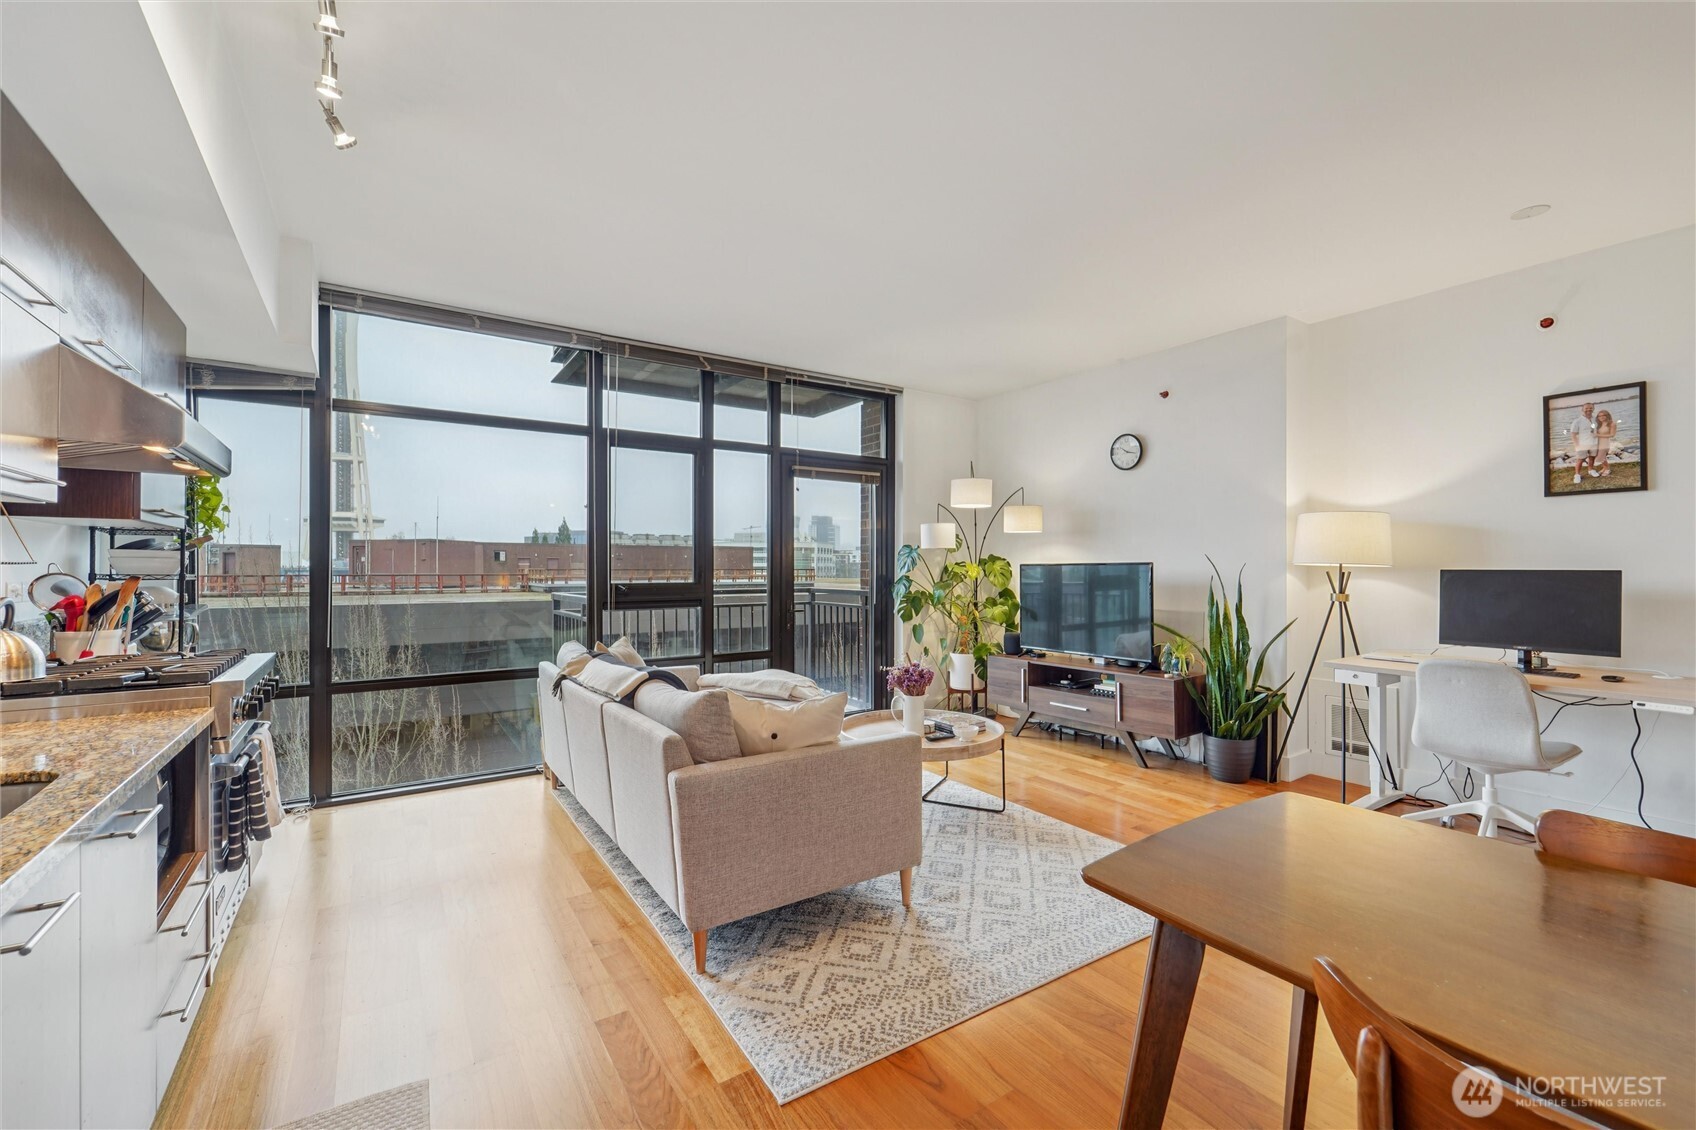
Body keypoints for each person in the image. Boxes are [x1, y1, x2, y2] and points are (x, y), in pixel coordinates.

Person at [1568, 401, 1598, 486]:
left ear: (1593, 409)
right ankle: (1577, 475)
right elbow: (1573, 434)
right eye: (1586, 408)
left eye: (1590, 408)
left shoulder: (1595, 419)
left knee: (1592, 458)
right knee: (1580, 460)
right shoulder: (1577, 421)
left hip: (1594, 443)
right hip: (1582, 444)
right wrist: (1577, 445)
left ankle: (1591, 470)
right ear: (1582, 409)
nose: (1588, 410)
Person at [1593, 408, 1617, 477]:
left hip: (1605, 443)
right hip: (1597, 442)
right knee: (1601, 457)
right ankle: (1604, 468)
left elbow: (1612, 435)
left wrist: (1598, 435)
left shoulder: (1612, 424)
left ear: (1607, 416)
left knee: (1600, 457)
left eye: (1603, 415)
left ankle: (1607, 469)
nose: (1601, 417)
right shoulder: (1599, 424)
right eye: (1599, 416)